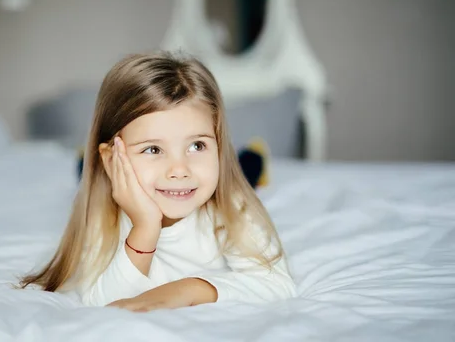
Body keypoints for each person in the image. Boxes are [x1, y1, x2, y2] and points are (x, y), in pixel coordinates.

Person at [21, 52, 296, 311]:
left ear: (219, 145)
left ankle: (253, 156)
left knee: (246, 169)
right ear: (111, 158)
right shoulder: (104, 217)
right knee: (87, 172)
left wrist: (189, 289)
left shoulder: (233, 207)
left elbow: (277, 284)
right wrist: (145, 227)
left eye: (197, 145)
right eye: (153, 149)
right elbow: (106, 303)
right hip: (108, 169)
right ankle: (87, 161)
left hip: (228, 172)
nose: (179, 169)